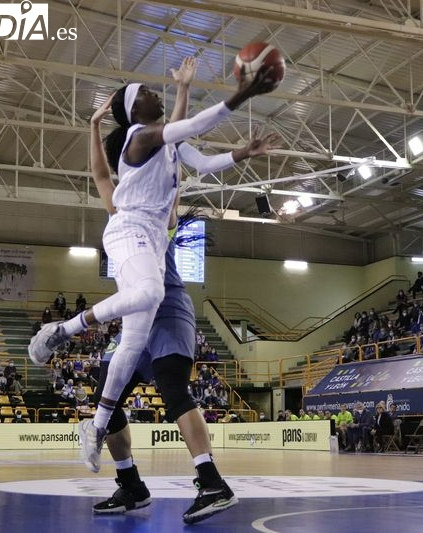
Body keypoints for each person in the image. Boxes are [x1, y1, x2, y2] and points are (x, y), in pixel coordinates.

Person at [28, 58, 276, 473]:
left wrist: (242, 153)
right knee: (149, 294)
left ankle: (97, 425)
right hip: (129, 231)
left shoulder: (166, 151)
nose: (152, 92)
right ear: (134, 112)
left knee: (130, 343)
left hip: (150, 239)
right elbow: (186, 127)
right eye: (144, 93)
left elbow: (201, 159)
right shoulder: (138, 138)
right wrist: (245, 92)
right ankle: (62, 329)